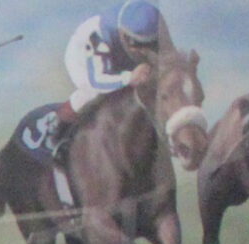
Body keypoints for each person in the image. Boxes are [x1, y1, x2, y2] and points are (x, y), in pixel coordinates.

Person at [46, 1, 169, 204]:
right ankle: (59, 127)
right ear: (124, 36)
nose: (145, 51)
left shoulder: (148, 21)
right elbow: (98, 79)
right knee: (92, 91)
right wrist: (128, 77)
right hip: (85, 58)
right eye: (139, 45)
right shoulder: (97, 37)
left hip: (116, 50)